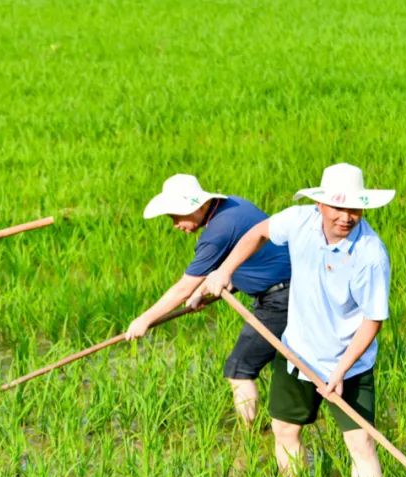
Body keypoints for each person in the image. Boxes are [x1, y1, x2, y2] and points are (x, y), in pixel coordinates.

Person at [190, 163, 394, 477]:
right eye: (338, 207)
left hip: (348, 362)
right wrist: (224, 272)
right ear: (321, 205)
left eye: (354, 209)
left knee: (360, 442)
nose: (346, 217)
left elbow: (372, 320)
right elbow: (258, 233)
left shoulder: (370, 254)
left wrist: (341, 371)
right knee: (284, 430)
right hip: (296, 350)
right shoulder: (299, 221)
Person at [124, 174, 292, 426]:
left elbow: (183, 288)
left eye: (176, 216)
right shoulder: (234, 206)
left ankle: (251, 437)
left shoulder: (218, 231)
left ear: (197, 207)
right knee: (289, 366)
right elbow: (246, 259)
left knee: (238, 370)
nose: (174, 224)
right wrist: (203, 292)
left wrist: (144, 319)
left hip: (281, 300)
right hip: (293, 289)